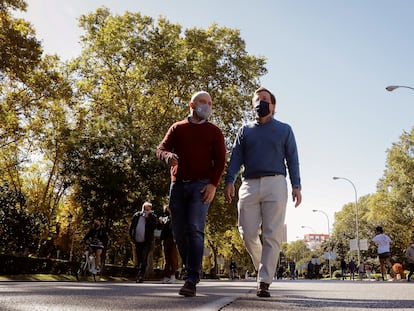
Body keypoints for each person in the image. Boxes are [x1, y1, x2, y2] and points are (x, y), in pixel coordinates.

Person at [224, 86, 302, 297]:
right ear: (252, 105)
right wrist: (229, 180)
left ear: (273, 105)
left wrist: (297, 185)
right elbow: (236, 158)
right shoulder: (245, 130)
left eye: (265, 99)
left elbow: (292, 159)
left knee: (271, 234)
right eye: (257, 100)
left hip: (276, 183)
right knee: (247, 232)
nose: (261, 103)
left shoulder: (284, 129)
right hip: (249, 184)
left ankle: (264, 281)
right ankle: (264, 265)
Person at [156, 91, 226, 297]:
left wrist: (213, 185)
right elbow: (161, 148)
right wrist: (167, 156)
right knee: (178, 233)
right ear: (192, 105)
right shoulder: (177, 128)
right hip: (177, 186)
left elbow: (220, 161)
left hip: (202, 186)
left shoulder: (215, 131)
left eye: (210, 103)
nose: (207, 106)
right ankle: (192, 269)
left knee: (195, 228)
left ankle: (191, 278)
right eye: (203, 102)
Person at [129, 202, 157, 283]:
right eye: (144, 208)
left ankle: (141, 275)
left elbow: (154, 226)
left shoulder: (152, 216)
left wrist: (147, 218)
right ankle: (139, 273)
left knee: (144, 257)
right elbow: (132, 227)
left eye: (147, 208)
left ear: (150, 209)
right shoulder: (137, 215)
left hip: (147, 241)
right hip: (137, 240)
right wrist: (131, 236)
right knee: (139, 258)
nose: (145, 210)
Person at [158, 204, 178, 284]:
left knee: (173, 258)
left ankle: (173, 275)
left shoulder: (176, 217)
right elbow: (161, 228)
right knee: (166, 258)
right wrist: (160, 223)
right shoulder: (165, 218)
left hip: (173, 239)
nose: (168, 210)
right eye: (167, 209)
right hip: (166, 239)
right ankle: (166, 276)